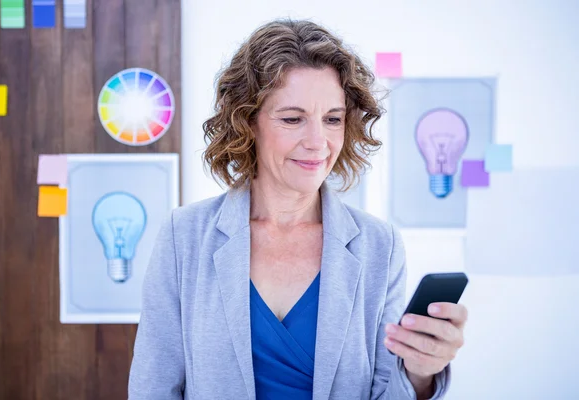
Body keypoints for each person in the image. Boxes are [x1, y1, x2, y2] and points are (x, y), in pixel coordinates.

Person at [128, 18, 467, 400]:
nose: (318, 142)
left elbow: (388, 392)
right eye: (292, 119)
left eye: (333, 119)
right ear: (247, 123)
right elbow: (152, 388)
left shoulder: (379, 245)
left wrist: (420, 374)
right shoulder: (184, 236)